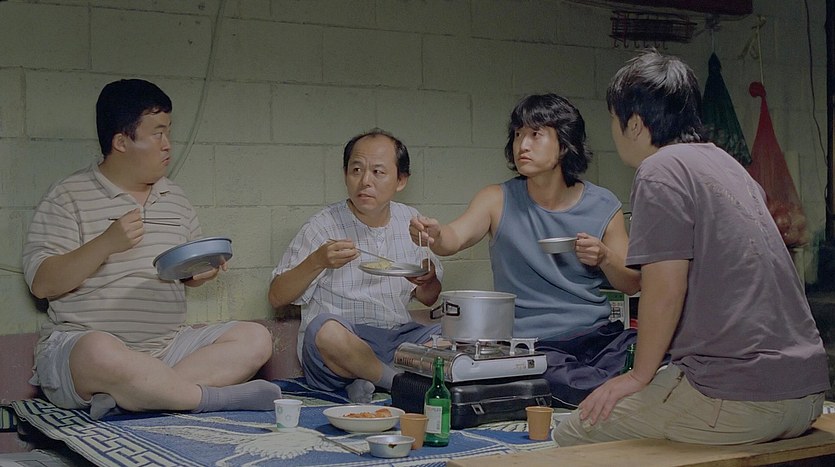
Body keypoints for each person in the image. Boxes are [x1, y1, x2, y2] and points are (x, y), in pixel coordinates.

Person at [552, 50, 829, 446]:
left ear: (634, 124)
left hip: (741, 397)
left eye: (613, 119)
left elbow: (665, 288)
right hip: (806, 393)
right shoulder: (729, 166)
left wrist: (637, 377)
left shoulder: (660, 169)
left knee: (573, 433)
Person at [22, 79, 282, 420]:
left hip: (167, 348)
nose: (167, 145)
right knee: (98, 351)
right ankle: (206, 399)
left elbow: (183, 272)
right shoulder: (68, 195)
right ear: (121, 142)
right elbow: (42, 284)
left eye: (168, 133)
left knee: (256, 338)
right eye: (157, 134)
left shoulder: (174, 197)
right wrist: (106, 244)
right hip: (85, 348)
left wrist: (199, 273)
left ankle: (132, 397)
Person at [410, 94, 641, 407]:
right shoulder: (497, 199)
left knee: (655, 355)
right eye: (518, 134)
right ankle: (612, 393)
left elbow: (631, 282)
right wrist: (435, 234)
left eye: (535, 134)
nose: (522, 145)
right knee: (551, 378)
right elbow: (453, 239)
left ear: (564, 144)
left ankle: (611, 389)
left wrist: (604, 258)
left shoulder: (603, 204)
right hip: (533, 345)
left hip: (598, 336)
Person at [268, 128, 443, 403]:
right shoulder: (323, 225)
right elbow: (277, 296)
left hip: (397, 337)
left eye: (378, 172)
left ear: (401, 180)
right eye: (356, 170)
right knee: (326, 331)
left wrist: (427, 280)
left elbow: (430, 298)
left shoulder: (411, 221)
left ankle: (366, 378)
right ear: (345, 174)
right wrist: (317, 261)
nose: (365, 181)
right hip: (343, 341)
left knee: (456, 335)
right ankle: (397, 383)